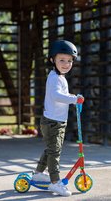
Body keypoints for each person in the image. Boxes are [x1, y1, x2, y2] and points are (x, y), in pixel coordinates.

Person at [32, 40, 84, 196]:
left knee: (51, 149)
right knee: (55, 152)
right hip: (53, 122)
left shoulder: (59, 77)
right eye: (62, 60)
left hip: (55, 121)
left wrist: (73, 97)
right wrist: (74, 100)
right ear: (52, 60)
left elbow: (63, 95)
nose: (66, 64)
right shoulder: (55, 77)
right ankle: (55, 183)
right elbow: (56, 96)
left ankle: (38, 173)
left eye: (69, 61)